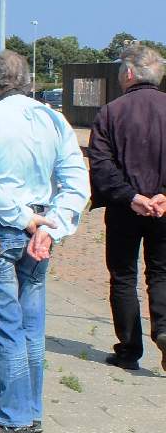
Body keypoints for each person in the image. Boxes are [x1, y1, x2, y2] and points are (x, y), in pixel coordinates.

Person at [0, 51, 89, 433]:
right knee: (31, 324)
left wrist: (17, 216)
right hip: (41, 227)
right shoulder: (52, 119)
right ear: (27, 81)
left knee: (3, 326)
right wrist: (54, 225)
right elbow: (76, 178)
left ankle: (11, 416)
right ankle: (31, 409)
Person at [85, 42, 166, 372]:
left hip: (123, 208)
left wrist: (133, 197)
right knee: (161, 273)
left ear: (129, 73)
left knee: (123, 276)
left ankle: (129, 349)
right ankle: (163, 329)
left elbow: (101, 166)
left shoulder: (110, 113)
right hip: (164, 209)